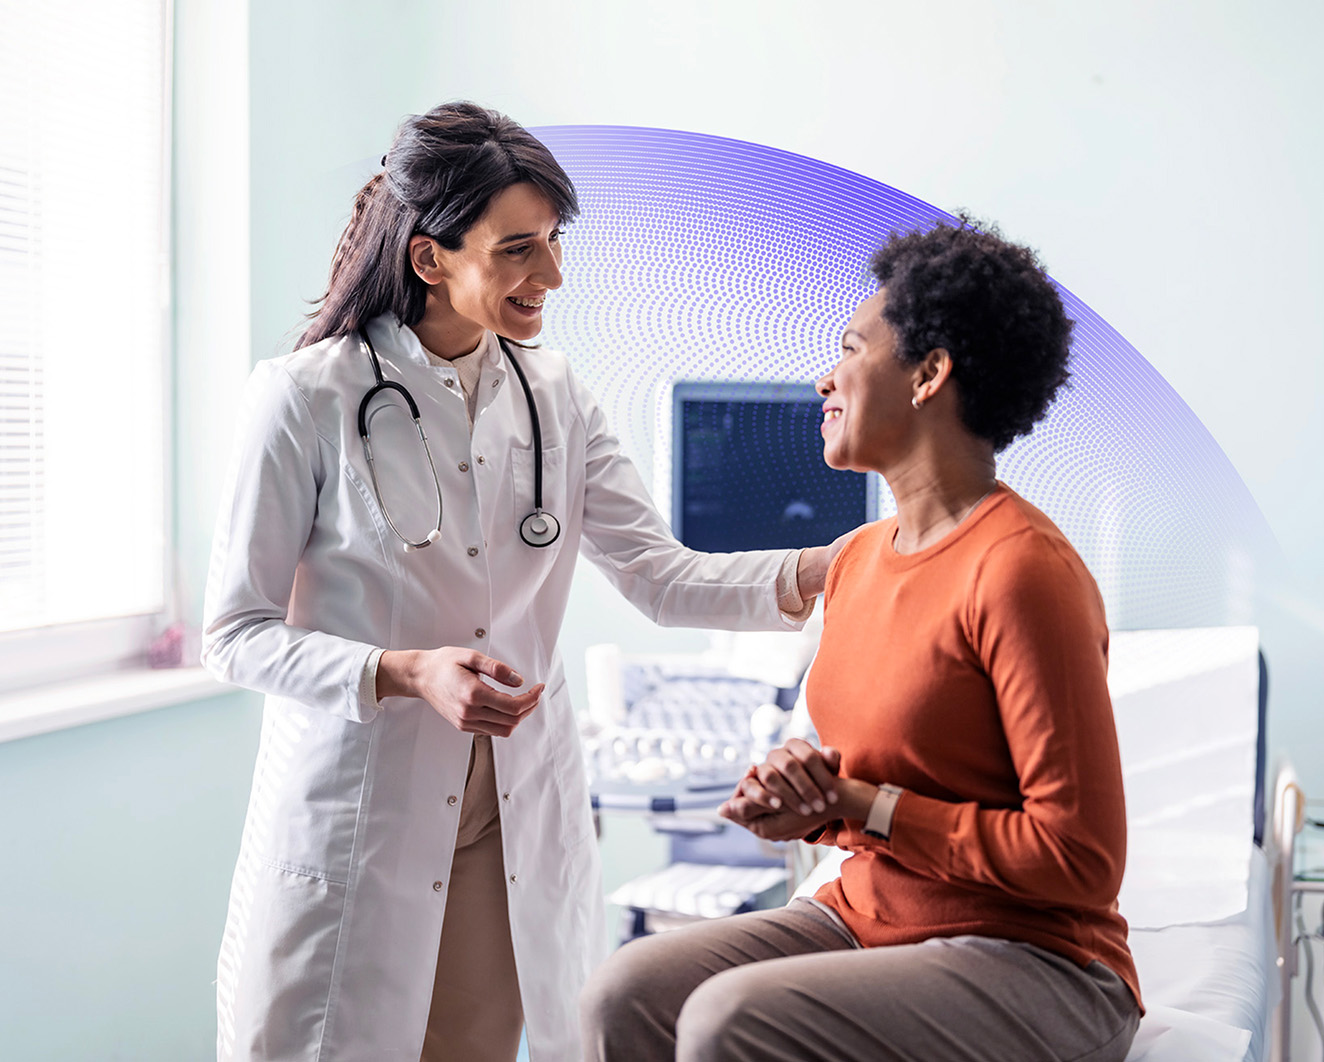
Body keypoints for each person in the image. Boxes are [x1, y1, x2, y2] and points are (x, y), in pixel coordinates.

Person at [201, 101, 849, 1062]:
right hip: (364, 814)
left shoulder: (556, 394)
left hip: (507, 818)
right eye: (517, 250)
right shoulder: (304, 398)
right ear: (430, 258)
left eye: (551, 243)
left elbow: (661, 578)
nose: (550, 275)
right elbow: (234, 633)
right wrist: (408, 671)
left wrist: (837, 566)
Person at [580, 220, 1143, 1062]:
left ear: (928, 374)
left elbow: (1078, 859)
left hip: (1037, 957)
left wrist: (861, 809)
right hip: (868, 917)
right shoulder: (857, 563)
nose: (825, 379)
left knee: (727, 1019)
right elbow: (875, 780)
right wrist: (807, 800)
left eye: (849, 349)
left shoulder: (1023, 572)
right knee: (621, 995)